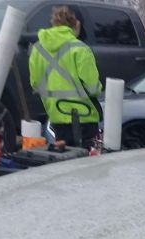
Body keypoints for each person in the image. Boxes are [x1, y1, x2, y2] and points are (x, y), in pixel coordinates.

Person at [28, 6, 102, 148]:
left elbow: (35, 84)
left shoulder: (37, 50)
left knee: (64, 163)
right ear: (77, 24)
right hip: (84, 120)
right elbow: (93, 88)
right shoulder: (80, 49)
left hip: (56, 118)